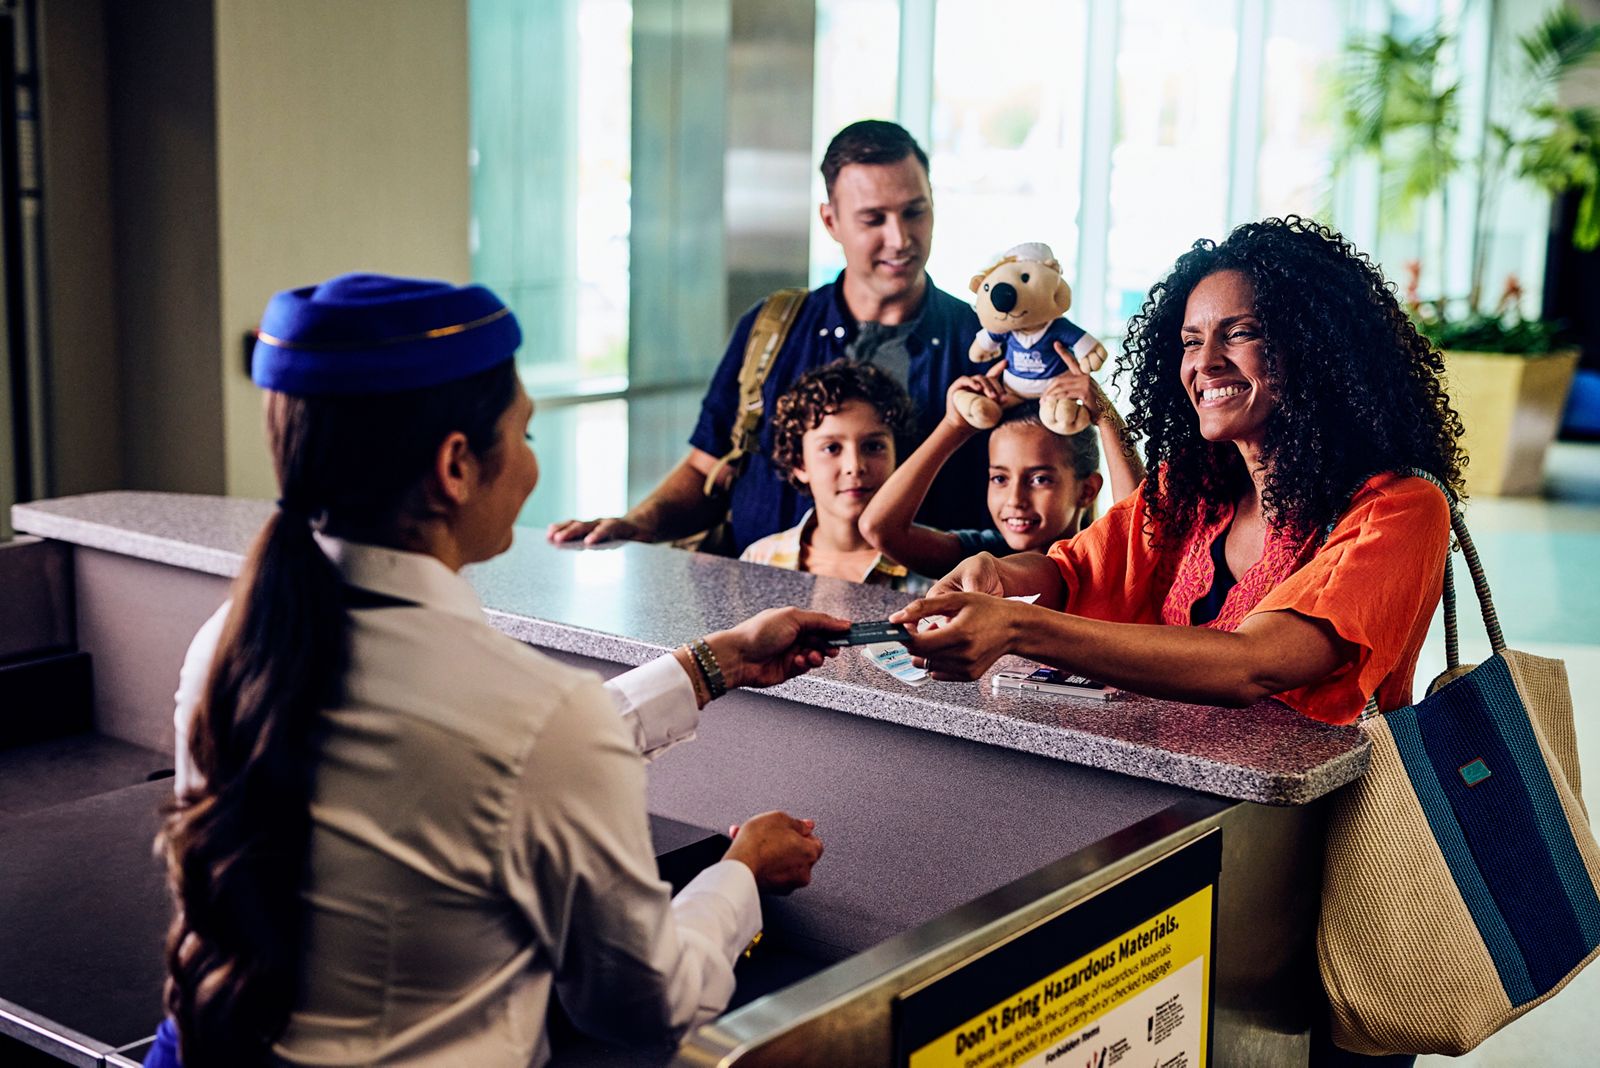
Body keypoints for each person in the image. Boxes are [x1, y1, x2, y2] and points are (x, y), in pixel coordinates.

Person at [154, 274, 849, 1068]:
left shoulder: (230, 642)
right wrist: (741, 873)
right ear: (455, 466)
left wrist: (706, 667)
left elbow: (478, 749)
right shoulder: (532, 715)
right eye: (526, 434)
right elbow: (649, 1005)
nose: (530, 466)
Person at [893, 218, 1466, 1064]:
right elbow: (1076, 570)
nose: (1206, 362)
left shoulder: (1399, 509)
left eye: (1241, 333)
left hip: (1325, 888)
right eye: (1193, 340)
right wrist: (999, 578)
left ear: (1314, 345)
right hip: (1186, 848)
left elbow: (1259, 664)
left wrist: (1020, 624)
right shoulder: (1192, 490)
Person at [547, 119, 991, 554]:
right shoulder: (774, 328)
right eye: (873, 219)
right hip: (758, 588)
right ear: (831, 221)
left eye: (915, 212)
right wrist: (636, 524)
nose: (900, 239)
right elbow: (708, 470)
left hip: (920, 598)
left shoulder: (982, 344)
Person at [860, 354, 1145, 578]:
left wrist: (1105, 415)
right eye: (999, 478)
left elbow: (1142, 527)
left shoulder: (1101, 562)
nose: (1015, 500)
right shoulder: (983, 557)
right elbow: (879, 528)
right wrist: (954, 426)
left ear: (1087, 490)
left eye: (1040, 479)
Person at [739, 360, 921, 589]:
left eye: (873, 446)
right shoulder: (759, 562)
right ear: (800, 463)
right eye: (831, 448)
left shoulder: (938, 563)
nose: (854, 466)